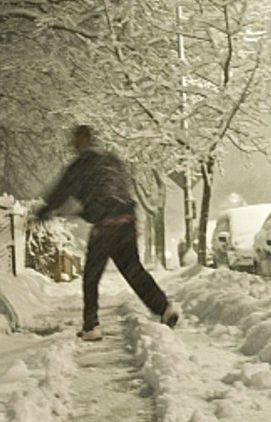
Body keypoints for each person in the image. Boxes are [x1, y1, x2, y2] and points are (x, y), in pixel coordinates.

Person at [33, 124, 179, 341]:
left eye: (75, 139)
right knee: (133, 271)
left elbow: (61, 191)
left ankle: (91, 326)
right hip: (126, 220)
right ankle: (164, 307)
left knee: (91, 276)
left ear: (83, 139)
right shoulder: (111, 160)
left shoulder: (81, 164)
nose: (73, 143)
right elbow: (119, 188)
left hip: (106, 225)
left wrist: (43, 211)